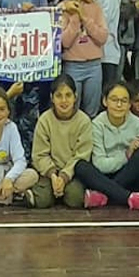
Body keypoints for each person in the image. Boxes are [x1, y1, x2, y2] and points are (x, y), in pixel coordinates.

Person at [76, 81, 139, 210]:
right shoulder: (97, 124)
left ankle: (105, 195)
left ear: (130, 104)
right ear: (105, 101)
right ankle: (129, 198)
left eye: (124, 101)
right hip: (103, 177)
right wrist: (126, 155)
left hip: (129, 175)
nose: (119, 105)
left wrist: (132, 158)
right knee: (81, 166)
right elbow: (100, 165)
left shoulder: (137, 124)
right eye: (114, 100)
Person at [26, 76, 93, 209]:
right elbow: (39, 155)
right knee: (42, 201)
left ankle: (61, 192)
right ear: (52, 98)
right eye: (59, 96)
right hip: (49, 173)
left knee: (75, 199)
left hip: (72, 173)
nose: (64, 101)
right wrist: (53, 175)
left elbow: (82, 155)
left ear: (75, 96)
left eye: (68, 95)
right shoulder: (45, 120)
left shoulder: (84, 121)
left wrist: (64, 176)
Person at [57, 0, 109, 117]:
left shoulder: (96, 8)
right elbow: (64, 42)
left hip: (94, 65)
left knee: (91, 111)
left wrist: (85, 18)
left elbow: (102, 37)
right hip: (72, 65)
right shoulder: (62, 7)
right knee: (72, 109)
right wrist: (75, 19)